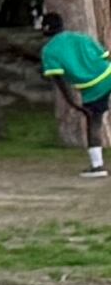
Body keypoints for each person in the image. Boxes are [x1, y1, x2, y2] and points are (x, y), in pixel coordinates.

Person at [44, 12, 111, 174]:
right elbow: (105, 55)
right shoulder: (81, 37)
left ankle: (97, 166)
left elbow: (59, 80)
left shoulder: (49, 51)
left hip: (92, 87)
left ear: (45, 29)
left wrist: (73, 104)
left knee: (94, 123)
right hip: (108, 73)